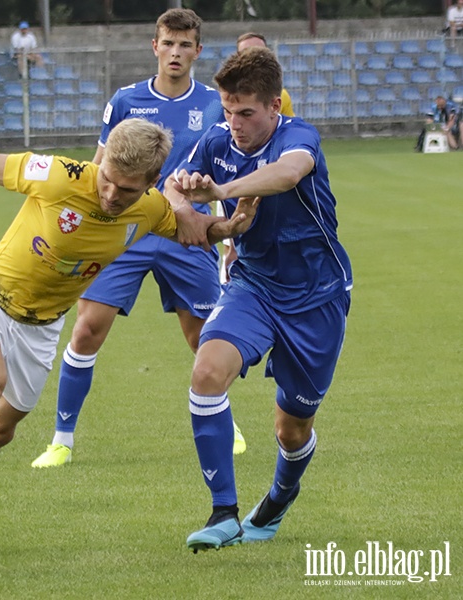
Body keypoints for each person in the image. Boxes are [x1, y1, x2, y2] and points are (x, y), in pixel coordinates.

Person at [0, 118, 258, 561]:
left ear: (152, 183)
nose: (113, 195)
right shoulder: (58, 175)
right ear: (103, 162)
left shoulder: (150, 208)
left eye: (128, 190)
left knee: (0, 432)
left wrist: (230, 228)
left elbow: (195, 232)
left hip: (40, 328)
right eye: (108, 180)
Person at [30, 8, 247, 471]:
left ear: (197, 51)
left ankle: (225, 421)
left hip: (186, 230)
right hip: (125, 229)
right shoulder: (126, 100)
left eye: (185, 45)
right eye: (168, 43)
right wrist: (88, 223)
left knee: (205, 337)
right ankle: (61, 439)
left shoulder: (213, 104)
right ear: (155, 46)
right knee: (88, 328)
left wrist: (229, 233)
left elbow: (229, 168)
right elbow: (99, 168)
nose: (175, 52)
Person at [162, 47, 352, 552]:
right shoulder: (216, 140)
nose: (235, 122)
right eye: (227, 110)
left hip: (317, 297)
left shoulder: (298, 137)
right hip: (252, 285)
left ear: (274, 105)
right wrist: (188, 206)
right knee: (206, 371)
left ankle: (280, 495)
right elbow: (172, 187)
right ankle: (223, 511)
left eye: (245, 112)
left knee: (291, 427)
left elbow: (287, 174)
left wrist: (219, 189)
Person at [236, 32, 295, 117]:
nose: (252, 56)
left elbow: (291, 127)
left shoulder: (282, 96)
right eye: (246, 52)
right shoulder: (226, 97)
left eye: (259, 51)